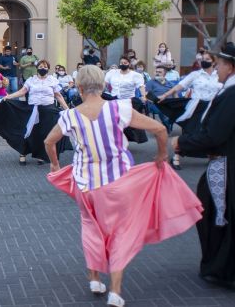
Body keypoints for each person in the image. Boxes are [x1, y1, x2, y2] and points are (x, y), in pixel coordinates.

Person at [44, 65, 202, 307]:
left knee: (90, 227)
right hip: (121, 182)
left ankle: (95, 279)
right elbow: (159, 129)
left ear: (79, 87)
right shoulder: (119, 108)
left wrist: (55, 165)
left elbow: (49, 141)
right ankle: (115, 291)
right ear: (105, 85)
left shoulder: (69, 116)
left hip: (85, 184)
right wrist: (161, 156)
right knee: (121, 231)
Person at [173, 44, 235, 292]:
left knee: (219, 215)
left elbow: (214, 135)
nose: (215, 68)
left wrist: (181, 143)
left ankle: (226, 269)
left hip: (232, 165)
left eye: (218, 64)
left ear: (231, 66)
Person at [158, 51, 221, 169]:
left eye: (207, 59)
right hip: (197, 107)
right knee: (190, 132)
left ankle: (212, 155)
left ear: (214, 61)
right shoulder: (195, 75)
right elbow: (180, 86)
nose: (204, 61)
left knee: (211, 133)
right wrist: (165, 95)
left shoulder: (219, 75)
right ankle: (176, 157)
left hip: (213, 108)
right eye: (202, 59)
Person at [0, 60, 69, 165]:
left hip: (48, 110)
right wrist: (9, 96)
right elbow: (22, 91)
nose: (42, 68)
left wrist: (67, 109)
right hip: (32, 110)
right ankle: (22, 154)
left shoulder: (52, 80)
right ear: (37, 68)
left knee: (45, 133)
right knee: (28, 132)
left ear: (48, 69)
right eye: (40, 66)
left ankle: (41, 155)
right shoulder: (31, 80)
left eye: (45, 67)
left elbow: (58, 95)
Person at [105, 56, 148, 143]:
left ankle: (125, 139)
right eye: (121, 63)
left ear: (129, 64)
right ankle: (114, 140)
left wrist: (143, 96)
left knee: (128, 122)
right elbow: (104, 84)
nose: (123, 64)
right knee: (113, 121)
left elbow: (141, 86)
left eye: (125, 63)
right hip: (114, 100)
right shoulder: (112, 73)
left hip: (128, 100)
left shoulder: (135, 75)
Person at [144, 66, 175, 132]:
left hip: (169, 103)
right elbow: (146, 95)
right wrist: (154, 100)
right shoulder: (150, 83)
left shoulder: (170, 84)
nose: (157, 73)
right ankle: (167, 125)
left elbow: (175, 95)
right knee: (163, 110)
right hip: (156, 104)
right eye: (156, 72)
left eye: (160, 72)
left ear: (165, 74)